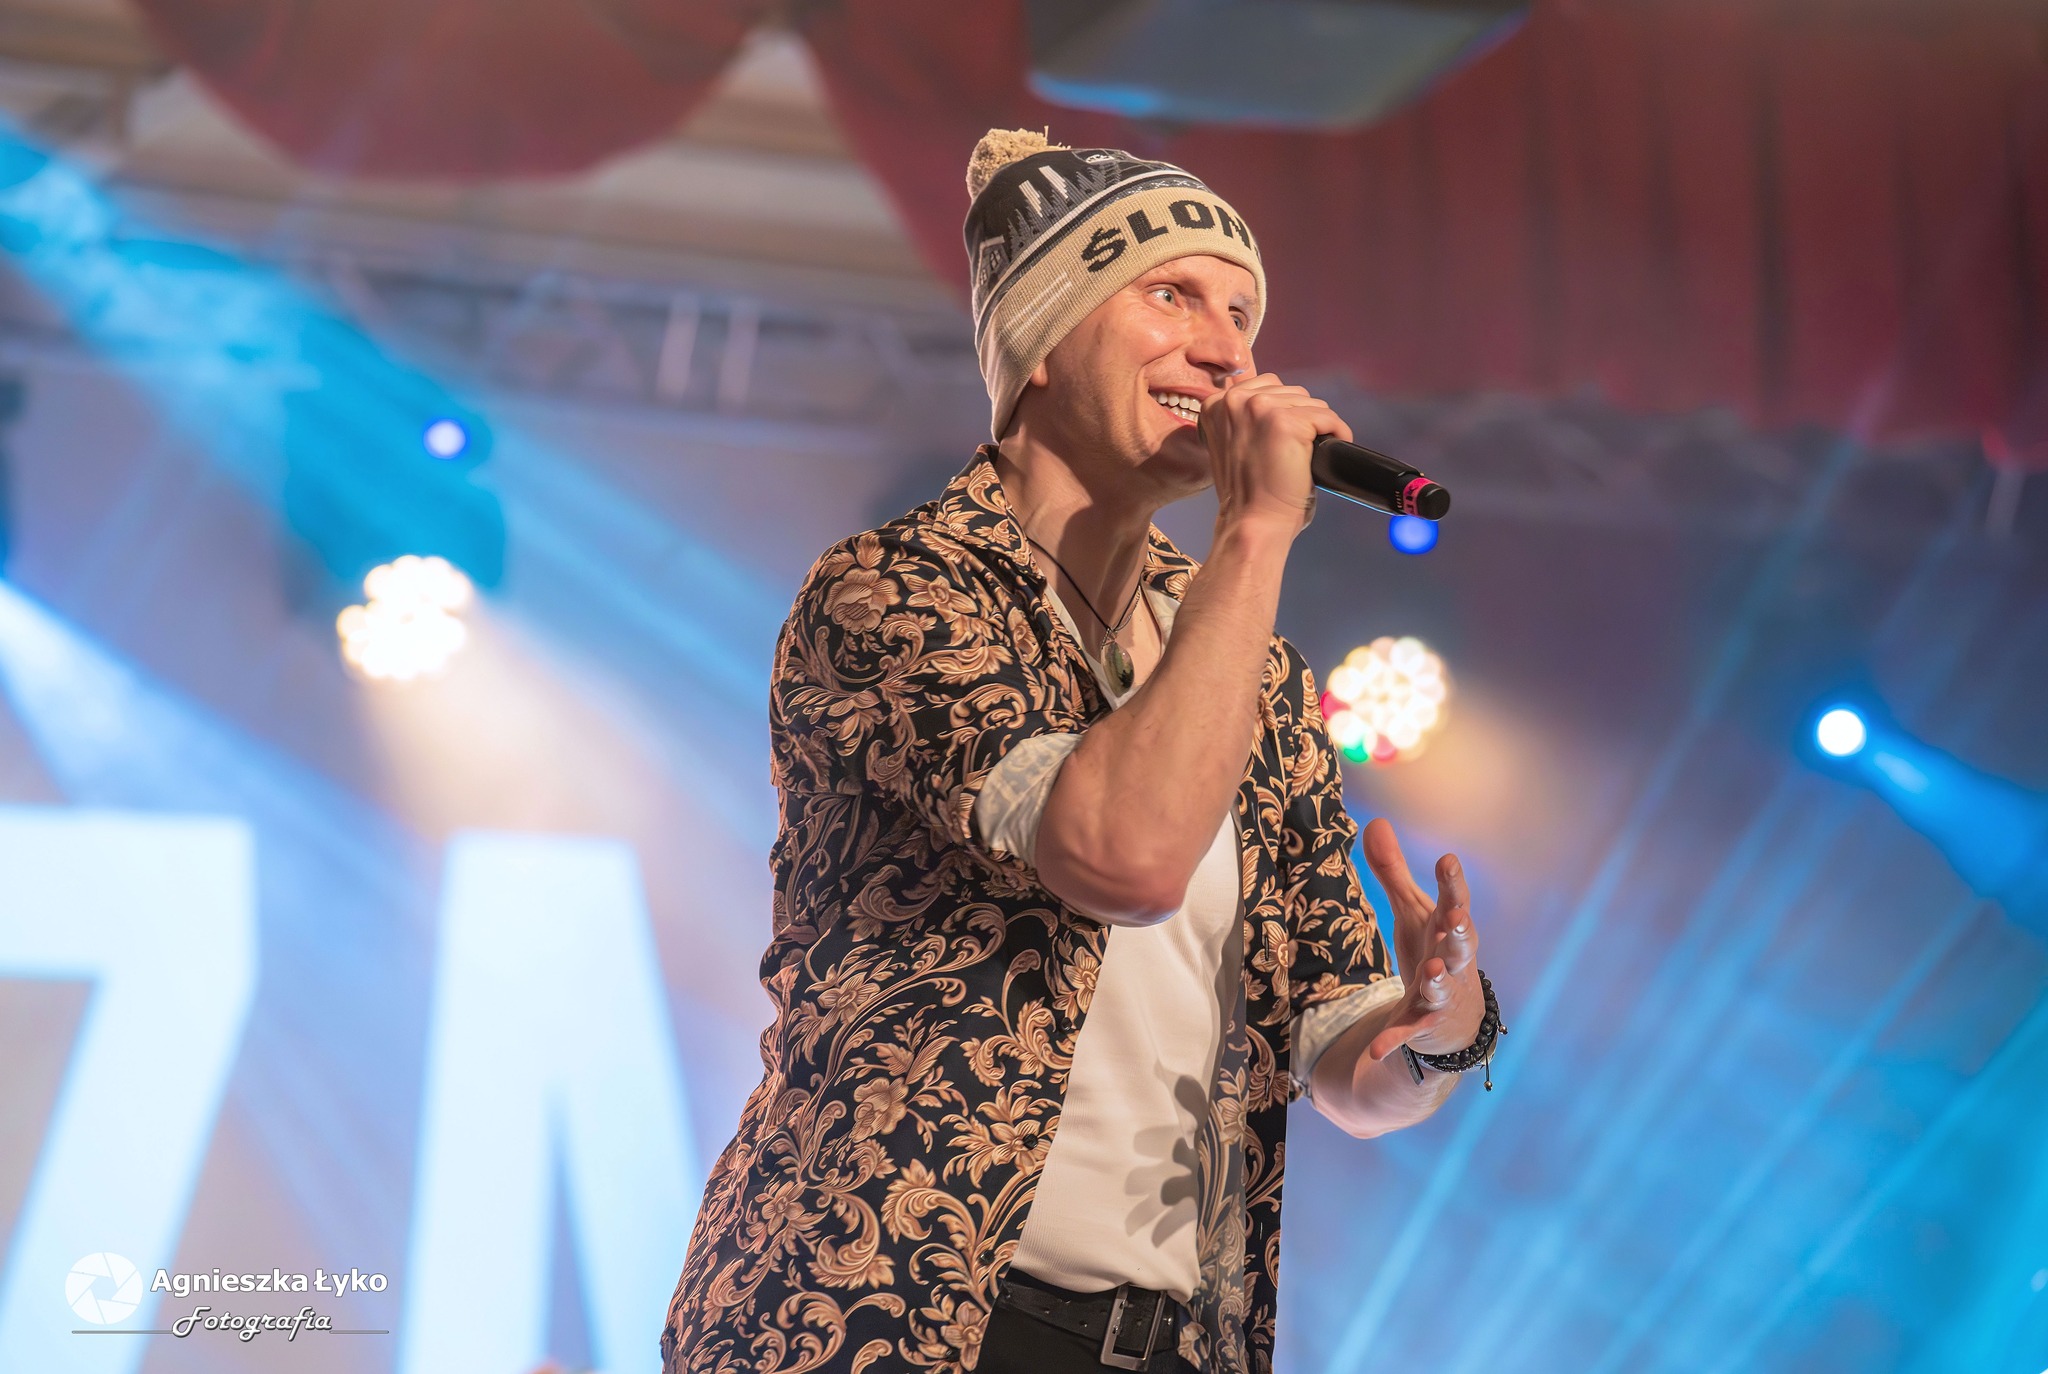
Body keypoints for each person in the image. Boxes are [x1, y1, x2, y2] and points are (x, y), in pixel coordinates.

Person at [662, 130, 1503, 1374]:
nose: (1225, 350)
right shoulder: (899, 589)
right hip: (885, 1315)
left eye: (1241, 314)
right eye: (1172, 296)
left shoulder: (1256, 675)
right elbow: (1119, 855)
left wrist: (1435, 1024)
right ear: (1041, 340)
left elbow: (1340, 1057)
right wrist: (1254, 534)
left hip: (1169, 1341)